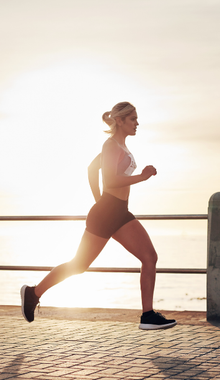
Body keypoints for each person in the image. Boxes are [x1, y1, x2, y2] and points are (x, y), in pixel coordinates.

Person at [21, 101, 177, 330]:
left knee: (149, 257)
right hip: (107, 212)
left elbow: (92, 170)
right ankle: (33, 293)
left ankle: (147, 315)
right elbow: (111, 180)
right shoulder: (110, 145)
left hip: (119, 212)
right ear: (120, 121)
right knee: (79, 265)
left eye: (136, 118)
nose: (137, 123)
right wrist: (140, 178)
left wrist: (100, 201)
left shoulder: (120, 147)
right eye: (133, 119)